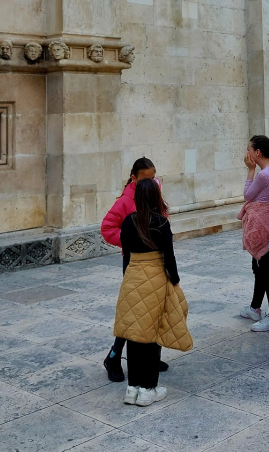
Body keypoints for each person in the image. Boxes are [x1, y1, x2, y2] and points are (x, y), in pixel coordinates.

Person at [113, 179, 193, 406]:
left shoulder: (128, 222)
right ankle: (148, 389)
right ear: (156, 196)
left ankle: (132, 389)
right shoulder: (161, 223)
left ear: (137, 197)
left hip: (132, 278)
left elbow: (126, 255)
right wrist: (175, 282)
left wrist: (129, 278)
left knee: (134, 333)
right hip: (156, 278)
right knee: (153, 334)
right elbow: (169, 258)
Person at [101, 158, 169, 382]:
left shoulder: (154, 191)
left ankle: (149, 355)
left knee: (154, 309)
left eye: (153, 177)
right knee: (134, 312)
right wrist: (131, 241)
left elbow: (161, 218)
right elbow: (107, 227)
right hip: (134, 262)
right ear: (134, 178)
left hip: (156, 261)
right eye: (146, 178)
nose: (152, 182)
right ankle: (114, 356)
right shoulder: (125, 200)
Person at [238, 136, 269, 331]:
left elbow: (248, 195)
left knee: (265, 270)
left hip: (262, 225)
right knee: (259, 268)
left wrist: (250, 170)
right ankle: (255, 307)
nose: (246, 153)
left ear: (257, 152)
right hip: (266, 222)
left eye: (248, 149)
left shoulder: (264, 174)